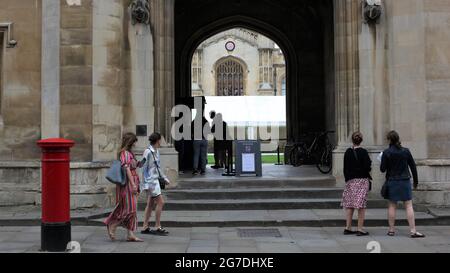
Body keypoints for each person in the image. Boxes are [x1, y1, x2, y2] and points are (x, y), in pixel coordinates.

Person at [380, 130, 425, 238]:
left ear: (389, 140)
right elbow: (413, 167)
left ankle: (391, 230)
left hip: (392, 181)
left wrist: (382, 159)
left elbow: (382, 169)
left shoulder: (386, 152)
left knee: (392, 206)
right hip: (405, 180)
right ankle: (413, 231)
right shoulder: (406, 151)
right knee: (408, 205)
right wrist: (416, 181)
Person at [104, 133, 143, 242]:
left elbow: (133, 166)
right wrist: (133, 184)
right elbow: (127, 169)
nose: (135, 143)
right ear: (130, 142)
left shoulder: (130, 153)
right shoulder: (125, 153)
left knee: (130, 209)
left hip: (133, 181)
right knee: (131, 209)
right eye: (134, 141)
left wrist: (140, 163)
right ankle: (113, 224)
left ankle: (130, 234)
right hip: (128, 183)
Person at [341, 132, 372, 236]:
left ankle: (348, 227)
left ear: (352, 140)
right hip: (362, 180)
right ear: (361, 140)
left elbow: (345, 168)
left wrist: (347, 179)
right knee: (361, 206)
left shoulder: (347, 152)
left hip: (350, 181)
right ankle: (360, 228)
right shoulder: (363, 152)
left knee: (350, 205)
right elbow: (368, 166)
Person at [141, 133, 171, 236]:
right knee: (161, 202)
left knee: (150, 204)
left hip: (155, 181)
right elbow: (144, 169)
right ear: (157, 140)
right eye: (160, 140)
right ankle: (157, 226)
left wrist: (164, 178)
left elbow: (158, 167)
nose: (161, 142)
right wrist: (145, 184)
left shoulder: (156, 152)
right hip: (151, 182)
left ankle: (145, 226)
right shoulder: (147, 152)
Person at [192, 109, 210, 175]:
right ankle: (203, 170)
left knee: (196, 155)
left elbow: (190, 130)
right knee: (203, 156)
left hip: (196, 139)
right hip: (204, 139)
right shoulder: (206, 121)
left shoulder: (194, 121)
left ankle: (195, 170)